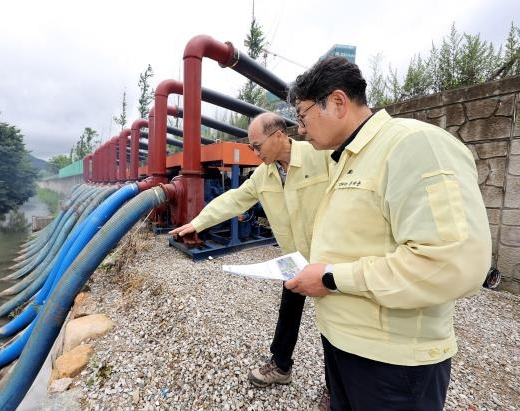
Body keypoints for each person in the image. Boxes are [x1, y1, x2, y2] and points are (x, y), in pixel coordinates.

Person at [284, 56, 491, 410]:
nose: (300, 130)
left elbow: (452, 262)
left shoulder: (414, 145)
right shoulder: (349, 156)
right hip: (343, 344)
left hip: (393, 362)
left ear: (337, 102)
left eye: (302, 116)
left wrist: (332, 277)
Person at [169, 112, 329, 387]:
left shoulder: (321, 156)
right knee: (289, 309)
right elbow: (233, 200)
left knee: (333, 324)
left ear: (279, 136)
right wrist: (197, 223)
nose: (254, 153)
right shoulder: (263, 175)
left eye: (257, 146)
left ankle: (335, 387)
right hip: (294, 257)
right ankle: (280, 366)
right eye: (251, 147)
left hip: (327, 257)